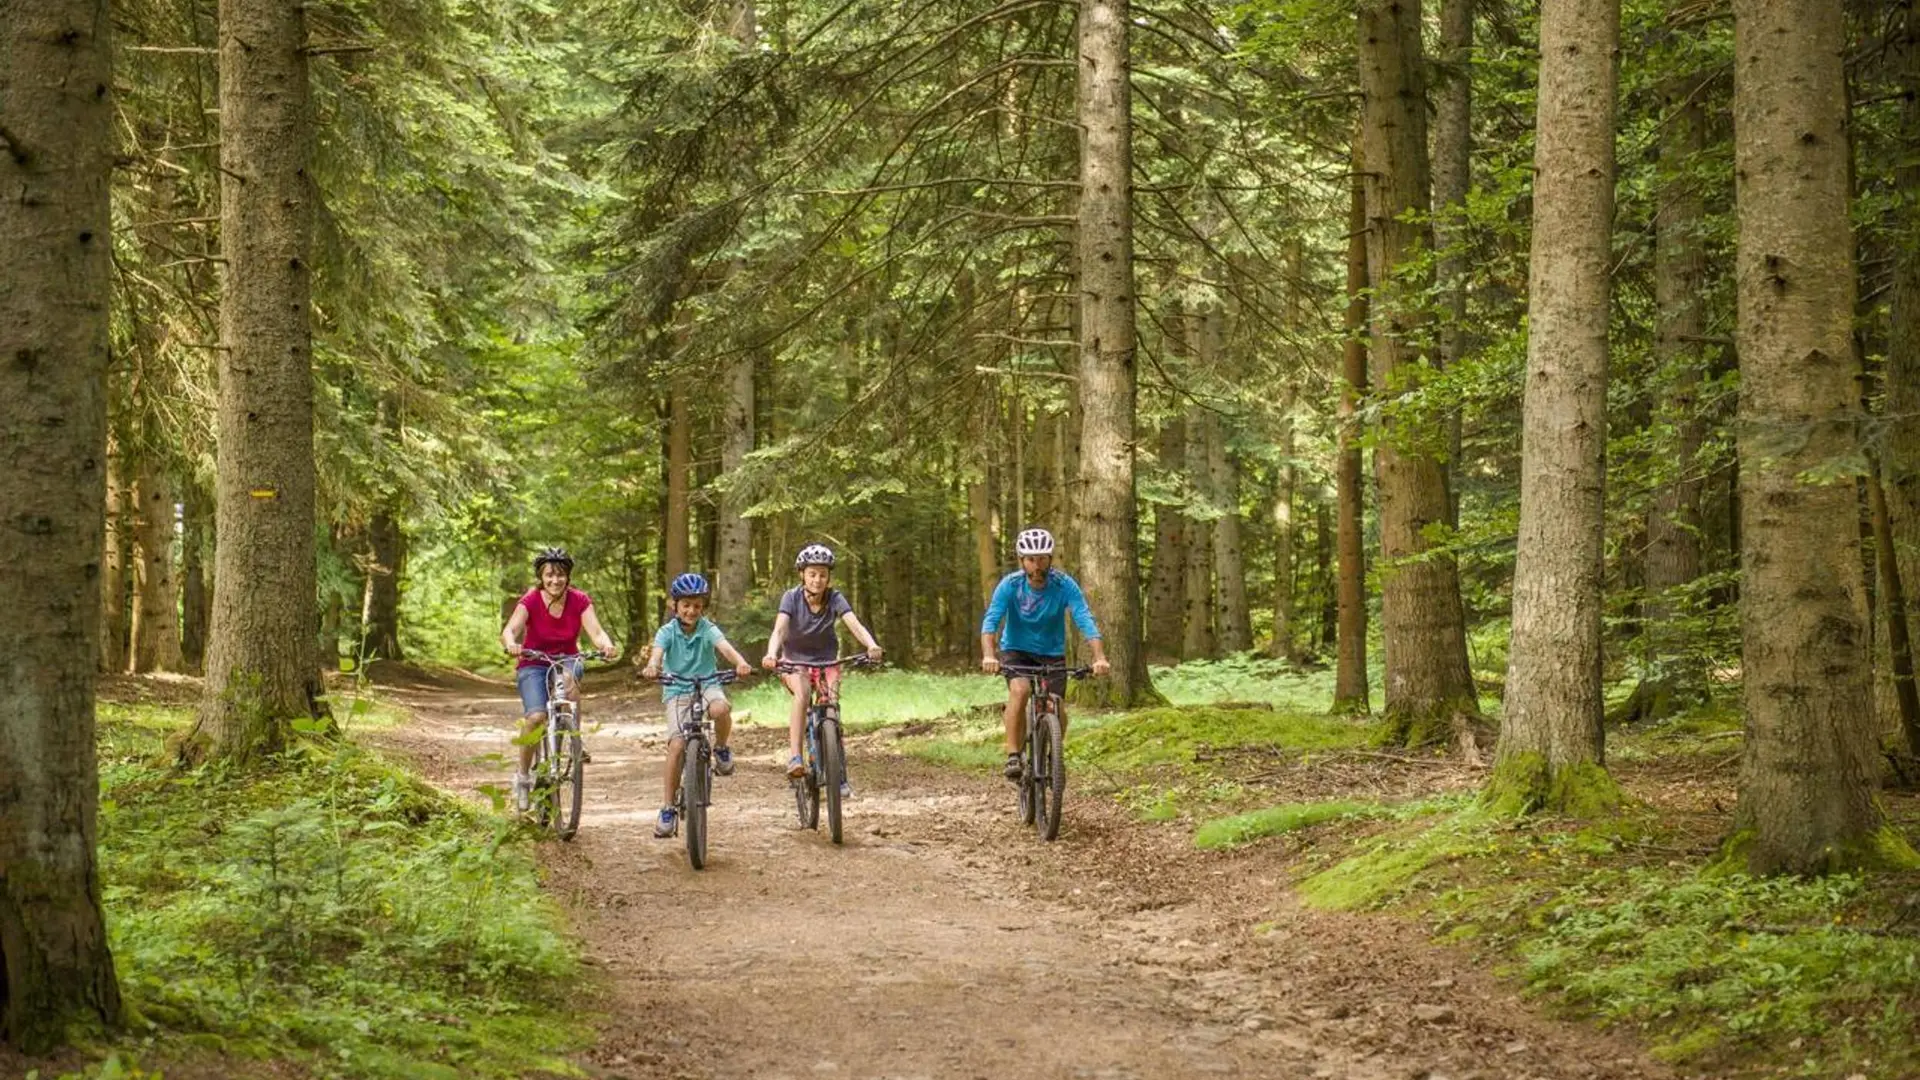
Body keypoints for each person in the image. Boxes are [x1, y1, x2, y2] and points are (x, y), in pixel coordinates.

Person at [979, 527, 1111, 780]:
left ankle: (1054, 754)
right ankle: (1013, 755)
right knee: (1020, 691)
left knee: (1056, 706)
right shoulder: (1010, 585)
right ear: (1022, 561)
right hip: (1016, 650)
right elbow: (991, 621)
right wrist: (989, 655)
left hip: (1051, 653)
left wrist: (1100, 657)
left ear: (1050, 559)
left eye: (1042, 559)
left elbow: (1084, 618)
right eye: (1031, 559)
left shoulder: (1064, 585)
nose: (1037, 565)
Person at [501, 547, 619, 811]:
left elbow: (597, 632)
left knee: (569, 681)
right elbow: (511, 629)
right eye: (550, 575)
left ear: (568, 576)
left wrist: (607, 646)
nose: (555, 580)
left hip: (567, 659)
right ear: (541, 577)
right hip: (534, 662)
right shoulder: (530, 600)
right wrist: (511, 643)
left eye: (561, 575)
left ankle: (573, 737)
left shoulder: (579, 600)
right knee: (536, 718)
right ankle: (522, 777)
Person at [640, 572, 755, 838]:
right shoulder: (667, 631)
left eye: (697, 606)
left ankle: (722, 748)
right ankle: (667, 808)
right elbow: (657, 654)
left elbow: (724, 647)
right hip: (677, 689)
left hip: (707, 683)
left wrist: (739, 662)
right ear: (675, 606)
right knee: (677, 745)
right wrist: (652, 666)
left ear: (703, 607)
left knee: (720, 709)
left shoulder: (707, 628)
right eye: (686, 605)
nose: (692, 611)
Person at [760, 544, 883, 781]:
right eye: (812, 574)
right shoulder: (791, 597)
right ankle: (795, 756)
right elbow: (779, 630)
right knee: (803, 694)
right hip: (794, 663)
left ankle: (838, 771)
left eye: (823, 575)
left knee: (832, 710)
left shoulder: (835, 598)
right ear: (802, 574)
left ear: (829, 577)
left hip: (827, 662)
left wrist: (871, 645)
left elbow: (854, 623)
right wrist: (771, 654)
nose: (817, 580)